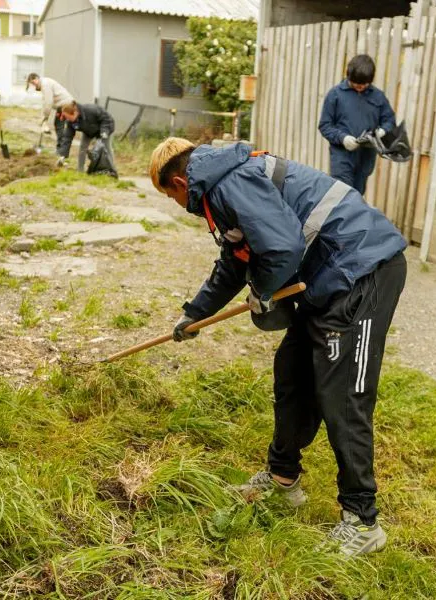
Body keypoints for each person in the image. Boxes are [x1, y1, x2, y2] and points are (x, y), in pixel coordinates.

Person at [149, 138, 408, 556]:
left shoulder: (228, 182)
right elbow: (235, 262)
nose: (179, 205)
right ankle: (283, 479)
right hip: (326, 277)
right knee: (292, 372)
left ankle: (362, 521)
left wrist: (264, 291)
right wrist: (194, 313)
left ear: (180, 182)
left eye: (171, 197)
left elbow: (283, 247)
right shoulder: (221, 185)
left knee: (342, 394)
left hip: (363, 267)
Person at [318, 54, 396, 195]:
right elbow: (325, 125)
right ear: (348, 76)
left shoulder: (378, 97)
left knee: (357, 195)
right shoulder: (335, 95)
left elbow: (389, 120)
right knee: (341, 194)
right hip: (342, 156)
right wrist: (343, 138)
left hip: (366, 156)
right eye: (356, 84)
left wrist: (382, 131)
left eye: (364, 84)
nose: (360, 87)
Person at [25, 73, 75, 166]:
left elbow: (48, 103)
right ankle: (60, 151)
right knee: (58, 125)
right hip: (64, 105)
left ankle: (61, 152)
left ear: (36, 79)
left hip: (66, 105)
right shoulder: (44, 84)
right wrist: (43, 119)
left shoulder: (45, 84)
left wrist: (44, 119)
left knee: (60, 127)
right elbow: (45, 103)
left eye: (33, 83)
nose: (33, 86)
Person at [59, 101, 115, 173]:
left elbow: (107, 119)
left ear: (75, 113)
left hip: (104, 128)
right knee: (82, 148)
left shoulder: (90, 110)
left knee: (106, 149)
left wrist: (104, 133)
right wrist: (63, 155)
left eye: (68, 117)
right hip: (89, 131)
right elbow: (67, 138)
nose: (67, 119)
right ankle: (80, 171)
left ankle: (112, 170)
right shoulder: (70, 122)